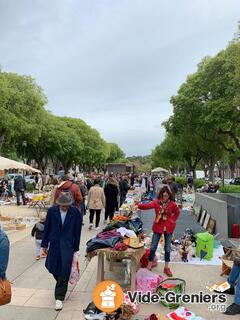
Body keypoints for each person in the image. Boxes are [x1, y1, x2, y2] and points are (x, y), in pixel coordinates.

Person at [41, 192, 83, 311]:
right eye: (62, 205)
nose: (64, 207)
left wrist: (76, 247)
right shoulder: (52, 211)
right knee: (53, 268)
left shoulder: (75, 213)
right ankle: (62, 282)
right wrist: (44, 243)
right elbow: (47, 227)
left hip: (68, 245)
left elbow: (77, 231)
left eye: (66, 206)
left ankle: (59, 297)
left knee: (64, 269)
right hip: (54, 244)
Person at [137, 186, 180, 276]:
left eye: (166, 195)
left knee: (167, 248)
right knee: (153, 247)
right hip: (158, 227)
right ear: (161, 194)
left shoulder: (172, 204)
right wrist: (138, 205)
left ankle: (166, 267)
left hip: (168, 228)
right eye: (163, 195)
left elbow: (177, 212)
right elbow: (147, 206)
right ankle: (149, 266)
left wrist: (172, 220)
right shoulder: (156, 203)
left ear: (169, 195)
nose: (165, 196)